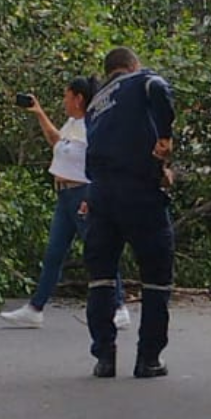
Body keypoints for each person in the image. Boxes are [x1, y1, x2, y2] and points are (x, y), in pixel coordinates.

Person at [0, 78, 131, 330]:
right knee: (53, 254)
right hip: (64, 196)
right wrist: (39, 113)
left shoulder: (93, 126)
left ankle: (119, 306)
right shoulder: (72, 124)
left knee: (99, 251)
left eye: (66, 96)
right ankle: (35, 309)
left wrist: (92, 198)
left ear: (78, 98)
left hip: (82, 194)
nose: (64, 101)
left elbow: (101, 164)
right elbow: (57, 142)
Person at [83, 47, 176, 379]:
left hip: (100, 196)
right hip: (139, 192)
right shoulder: (140, 80)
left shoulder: (95, 104)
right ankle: (148, 359)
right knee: (156, 276)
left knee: (102, 278)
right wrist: (164, 138)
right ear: (131, 65)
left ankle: (104, 358)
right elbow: (159, 89)